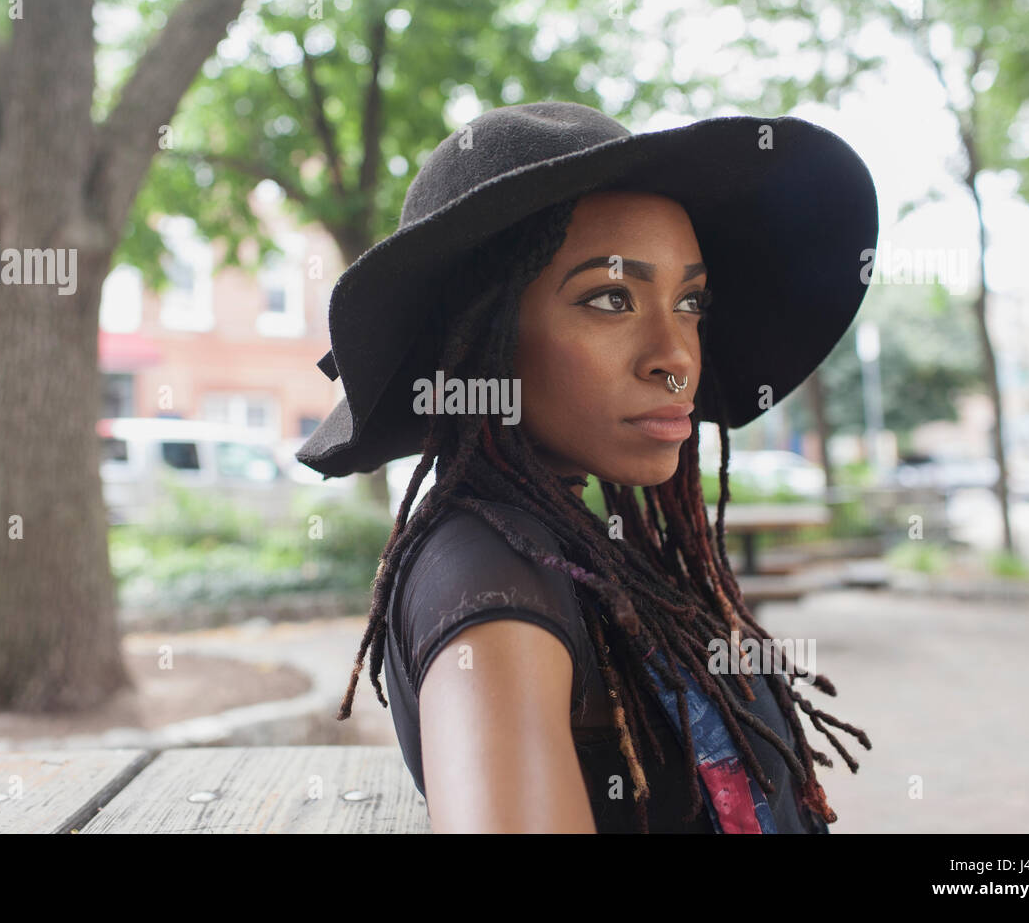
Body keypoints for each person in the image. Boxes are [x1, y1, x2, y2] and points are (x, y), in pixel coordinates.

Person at [297, 101, 878, 833]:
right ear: (486, 343)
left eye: (690, 301)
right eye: (612, 299)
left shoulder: (567, 539)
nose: (677, 356)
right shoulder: (491, 585)